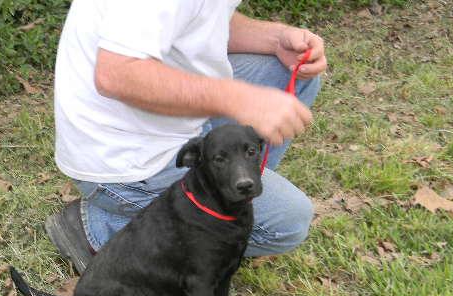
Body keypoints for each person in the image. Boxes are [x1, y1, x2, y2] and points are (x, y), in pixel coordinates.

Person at [47, 0, 327, 273]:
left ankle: (224, 203)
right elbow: (116, 73)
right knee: (288, 223)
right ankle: (102, 231)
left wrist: (276, 39)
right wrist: (238, 98)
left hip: (160, 123)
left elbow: (203, 19)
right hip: (124, 157)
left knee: (288, 74)